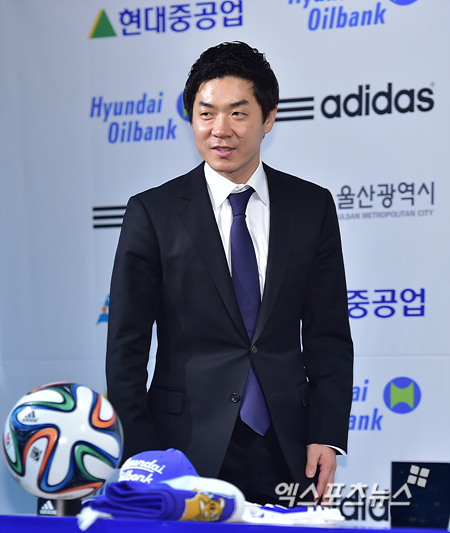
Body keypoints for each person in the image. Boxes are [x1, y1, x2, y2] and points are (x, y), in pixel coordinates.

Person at [106, 41, 353, 505]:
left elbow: (329, 334)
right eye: (206, 113)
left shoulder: (311, 206)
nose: (220, 130)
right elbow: (126, 345)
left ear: (269, 117)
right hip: (182, 447)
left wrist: (326, 433)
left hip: (290, 445)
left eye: (238, 113)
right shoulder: (153, 213)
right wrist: (141, 451)